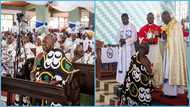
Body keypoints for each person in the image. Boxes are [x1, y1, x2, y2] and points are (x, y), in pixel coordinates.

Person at [161, 11, 188, 97]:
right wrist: (164, 36)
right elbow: (165, 38)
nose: (163, 20)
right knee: (167, 70)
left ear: (168, 16)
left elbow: (175, 38)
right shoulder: (168, 25)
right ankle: (168, 92)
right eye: (162, 19)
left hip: (174, 53)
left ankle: (174, 92)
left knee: (172, 70)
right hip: (169, 52)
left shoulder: (176, 24)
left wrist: (167, 35)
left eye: (164, 18)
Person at [138, 12, 163, 87]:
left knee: (155, 64)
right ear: (146, 18)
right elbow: (140, 39)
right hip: (147, 50)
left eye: (151, 17)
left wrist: (157, 36)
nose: (150, 19)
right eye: (149, 17)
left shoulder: (157, 28)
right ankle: (147, 82)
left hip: (155, 50)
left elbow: (161, 36)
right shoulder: (142, 28)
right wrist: (148, 41)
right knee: (147, 65)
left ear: (154, 18)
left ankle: (156, 82)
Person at [116, 13, 137, 84]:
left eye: (125, 19)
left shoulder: (132, 27)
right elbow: (118, 37)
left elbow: (134, 38)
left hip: (130, 50)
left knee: (129, 65)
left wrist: (125, 41)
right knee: (122, 65)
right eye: (122, 19)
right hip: (122, 50)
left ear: (128, 18)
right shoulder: (120, 27)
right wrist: (120, 41)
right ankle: (122, 81)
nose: (123, 20)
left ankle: (130, 81)